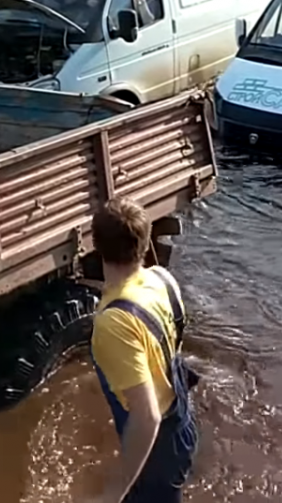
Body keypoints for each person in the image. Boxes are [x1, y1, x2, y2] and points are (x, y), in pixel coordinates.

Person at [87, 197, 200, 503]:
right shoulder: (163, 280)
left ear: (95, 245)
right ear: (145, 239)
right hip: (182, 424)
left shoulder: (113, 323)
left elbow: (147, 417)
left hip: (158, 450)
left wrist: (113, 493)